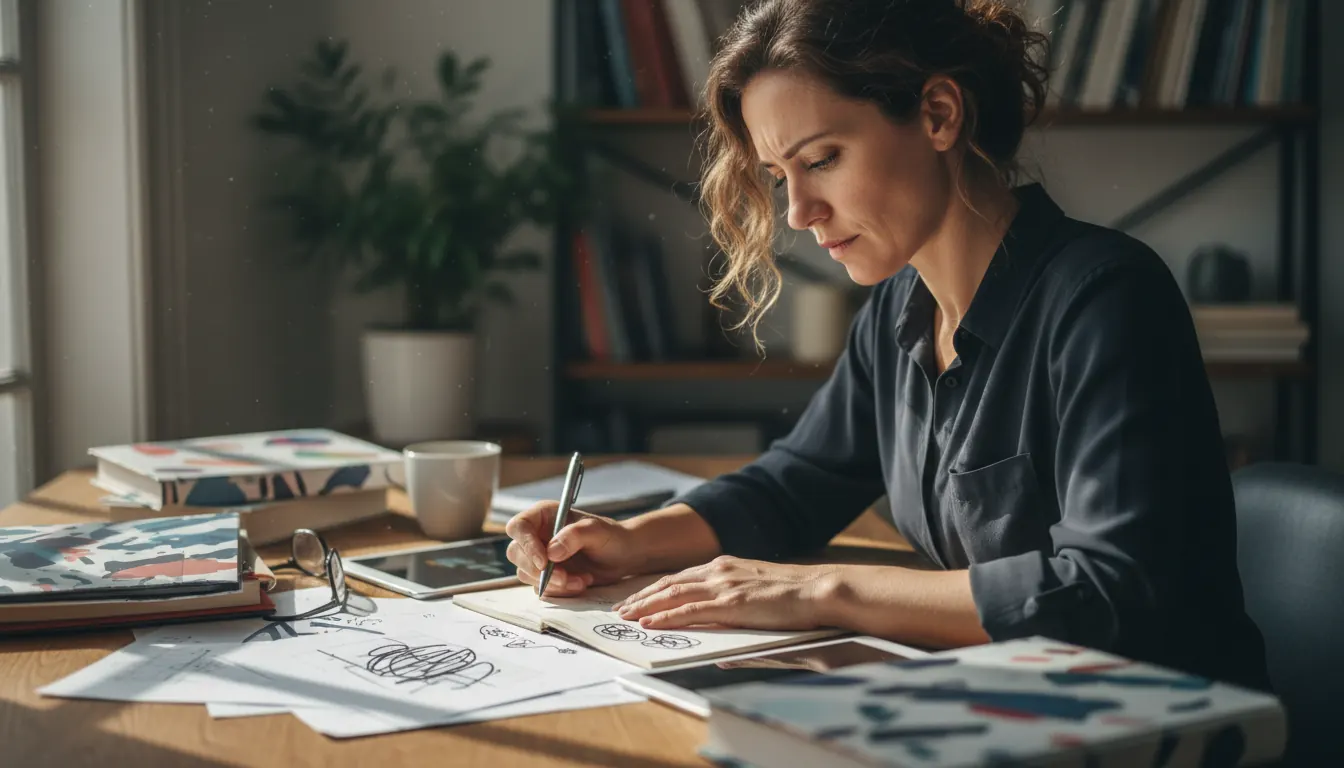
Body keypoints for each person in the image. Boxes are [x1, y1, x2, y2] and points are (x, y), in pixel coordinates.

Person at [506, 0, 1271, 691]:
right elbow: (793, 485)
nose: (800, 211)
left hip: (1161, 728)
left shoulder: (1106, 299)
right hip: (1002, 704)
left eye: (822, 159)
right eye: (780, 176)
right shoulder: (896, 310)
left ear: (939, 114)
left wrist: (818, 590)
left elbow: (1107, 591)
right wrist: (629, 542)